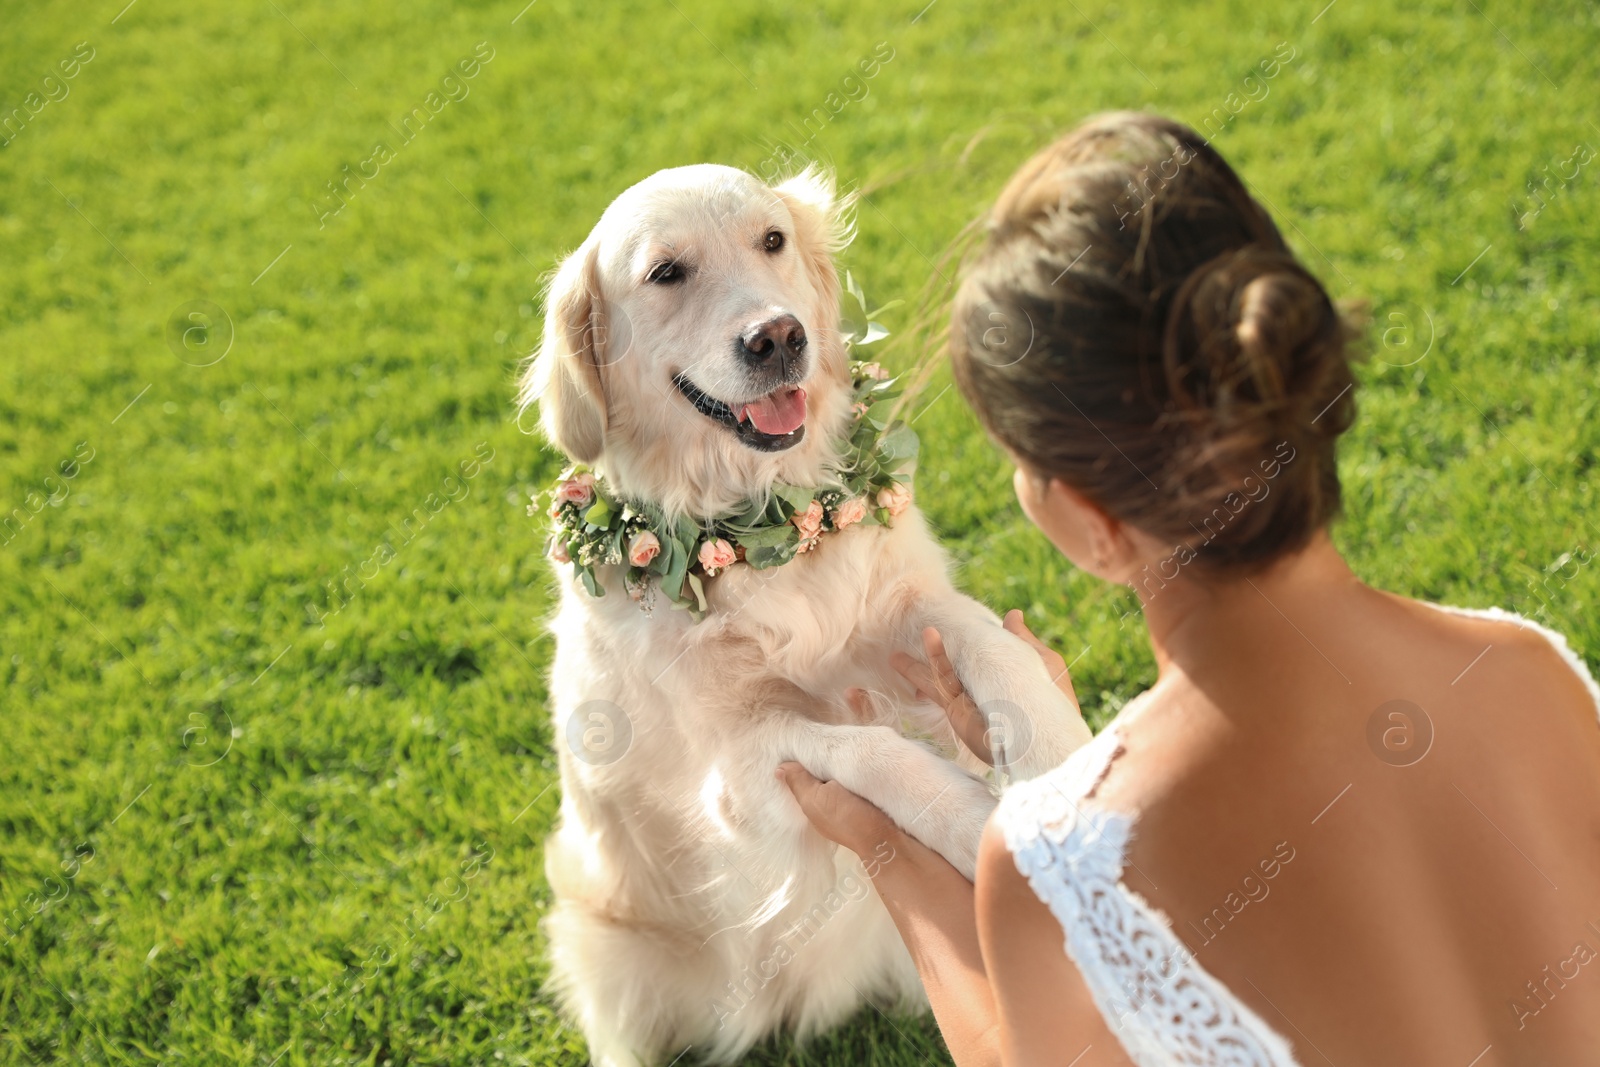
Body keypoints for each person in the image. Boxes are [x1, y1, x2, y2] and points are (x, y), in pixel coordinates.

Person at [777, 112, 1600, 1066]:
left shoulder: (1058, 860)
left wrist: (884, 847)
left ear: (1087, 517)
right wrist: (1066, 778)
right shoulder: (1533, 670)